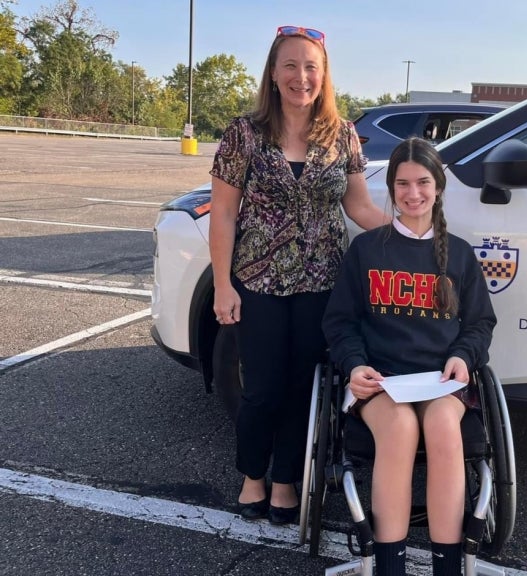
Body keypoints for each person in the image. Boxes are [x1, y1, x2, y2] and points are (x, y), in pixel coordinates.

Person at [208, 25, 388, 525]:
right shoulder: (243, 133)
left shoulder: (342, 134)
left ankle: (286, 480)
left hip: (322, 283)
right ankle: (252, 477)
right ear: (272, 72)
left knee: (302, 387)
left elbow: (359, 206)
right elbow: (223, 213)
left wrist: (412, 233)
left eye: (311, 66)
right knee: (261, 387)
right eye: (290, 65)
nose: (300, 76)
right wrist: (223, 284)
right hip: (258, 282)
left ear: (323, 74)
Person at [322, 137, 497, 576]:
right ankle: (389, 566)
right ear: (392, 188)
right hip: (381, 380)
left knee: (440, 425)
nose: (413, 193)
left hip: (440, 380)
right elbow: (340, 322)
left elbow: (480, 323)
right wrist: (354, 365)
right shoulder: (366, 249)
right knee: (400, 428)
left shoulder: (458, 253)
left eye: (422, 182)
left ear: (438, 186)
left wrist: (463, 356)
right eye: (403, 183)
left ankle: (448, 565)